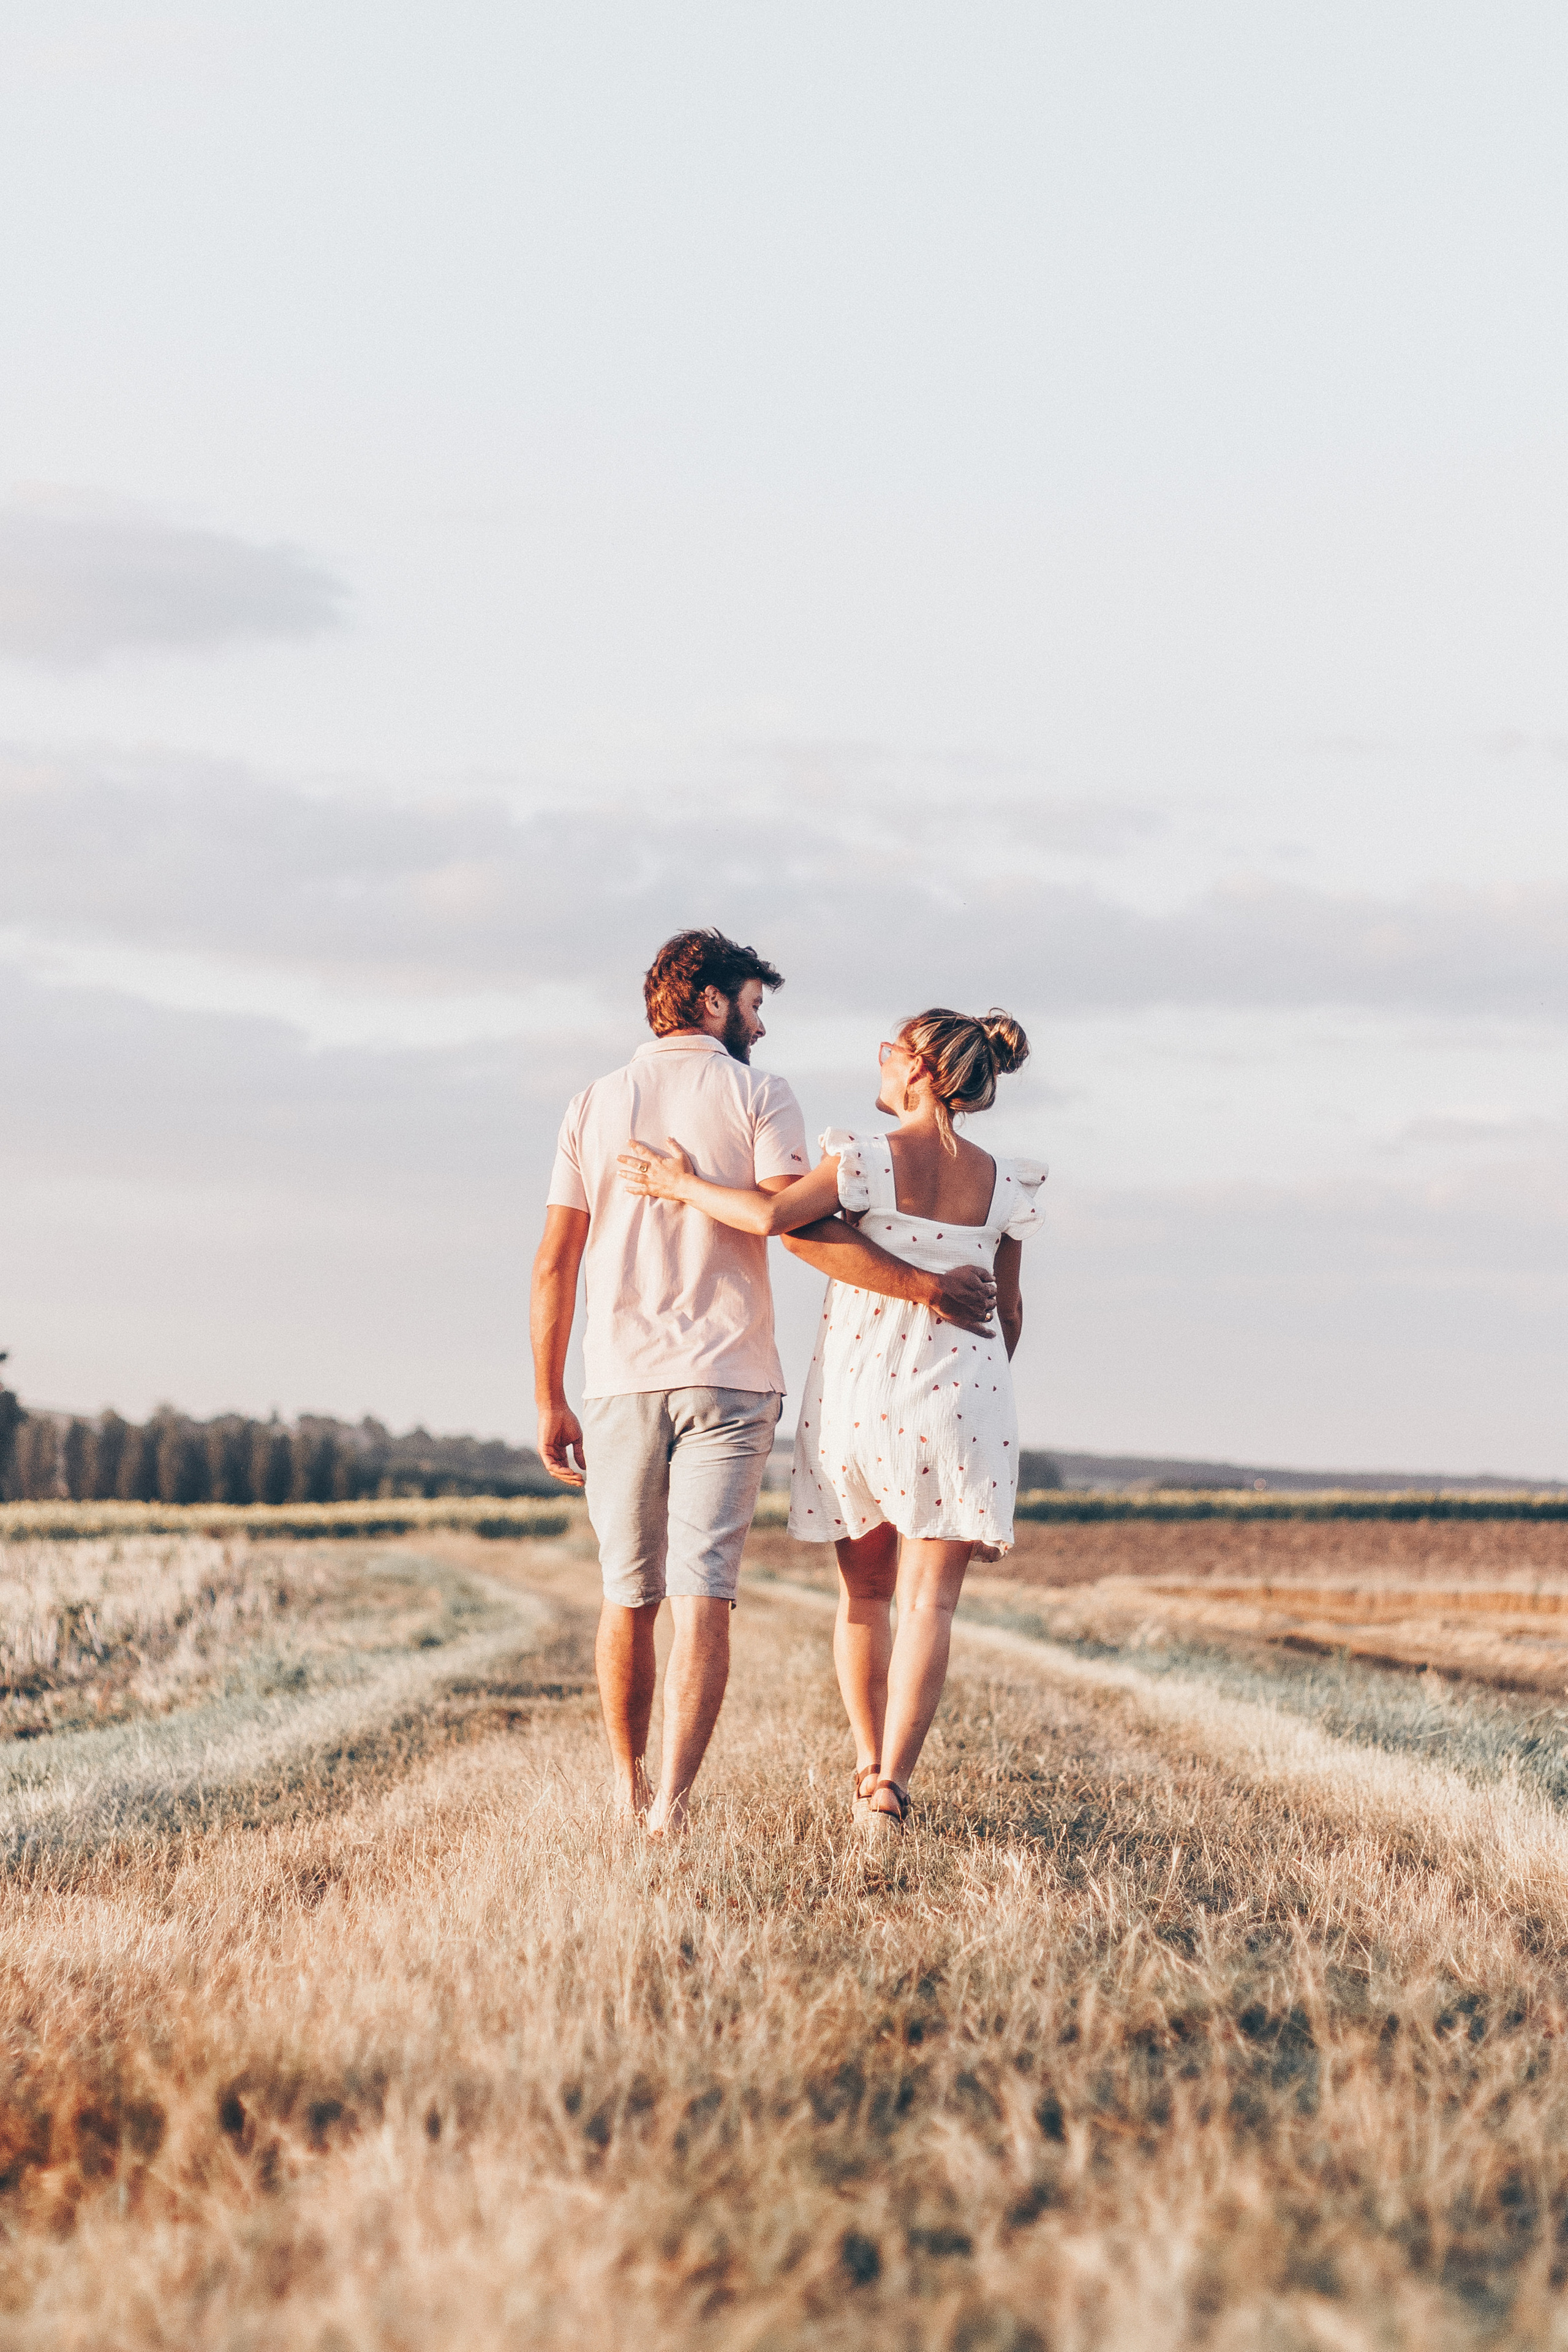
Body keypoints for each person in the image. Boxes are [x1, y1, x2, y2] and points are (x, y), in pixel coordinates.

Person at [530, 933, 1001, 1837]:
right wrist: (921, 1285)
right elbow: (795, 1226)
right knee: (705, 1593)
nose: (761, 1024)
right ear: (711, 1002)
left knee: (627, 1593)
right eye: (753, 1005)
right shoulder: (759, 1094)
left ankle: (627, 1791)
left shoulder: (592, 1103)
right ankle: (671, 1809)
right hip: (734, 1376)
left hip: (618, 1376)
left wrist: (550, 1393)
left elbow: (556, 1260)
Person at [619, 1006, 1044, 1836]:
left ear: (919, 1069)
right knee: (932, 1607)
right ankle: (891, 1786)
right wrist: (977, 1394)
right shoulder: (1008, 1183)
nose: (881, 1061)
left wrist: (679, 1185)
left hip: (862, 1397)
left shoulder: (865, 1158)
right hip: (963, 1398)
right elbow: (1013, 1313)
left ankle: (865, 1762)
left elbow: (771, 1219)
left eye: (891, 1051)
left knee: (865, 1597)